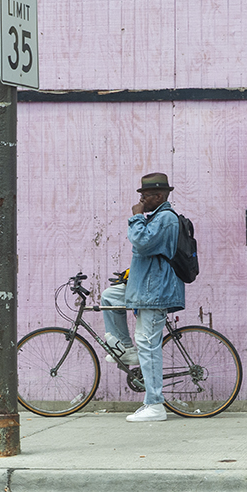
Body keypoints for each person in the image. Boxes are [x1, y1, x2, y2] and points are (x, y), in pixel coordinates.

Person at [100, 172, 186, 422]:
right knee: (110, 296)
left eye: (145, 196)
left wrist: (136, 216)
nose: (142, 200)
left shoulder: (166, 219)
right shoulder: (156, 217)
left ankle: (155, 405)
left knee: (148, 344)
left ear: (159, 196)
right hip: (144, 286)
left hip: (155, 292)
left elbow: (142, 243)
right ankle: (126, 349)